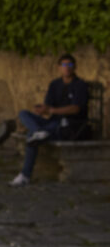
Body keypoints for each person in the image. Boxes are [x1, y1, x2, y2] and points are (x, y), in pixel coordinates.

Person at [10, 53, 88, 186]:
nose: (67, 68)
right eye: (64, 65)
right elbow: (48, 106)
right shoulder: (55, 84)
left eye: (69, 65)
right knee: (23, 114)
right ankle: (39, 131)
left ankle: (25, 175)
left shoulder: (79, 85)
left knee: (31, 136)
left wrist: (52, 111)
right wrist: (43, 109)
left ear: (74, 67)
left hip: (68, 125)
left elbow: (75, 109)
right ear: (59, 67)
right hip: (52, 121)